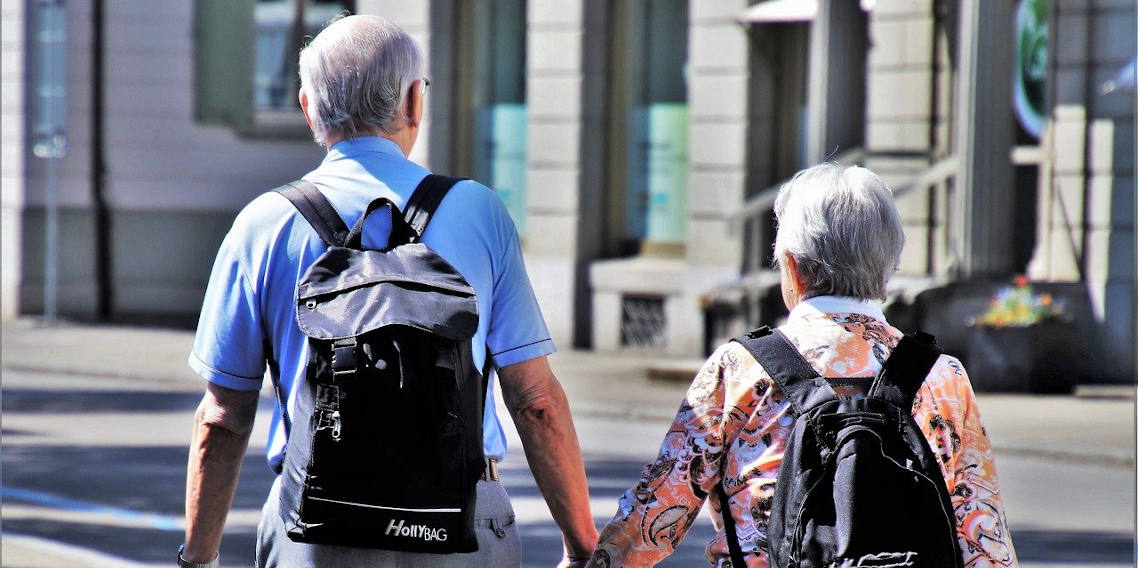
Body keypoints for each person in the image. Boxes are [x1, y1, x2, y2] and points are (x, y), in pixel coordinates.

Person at [180, 15, 598, 568]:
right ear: (414, 102)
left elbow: (223, 419)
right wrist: (582, 546)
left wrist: (199, 558)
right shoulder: (479, 212)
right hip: (463, 524)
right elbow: (536, 401)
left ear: (307, 107)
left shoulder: (262, 224)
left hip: (316, 527)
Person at [586, 163, 1018, 568]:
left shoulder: (740, 368)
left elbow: (657, 513)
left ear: (791, 267)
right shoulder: (943, 377)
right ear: (888, 266)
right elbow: (984, 537)